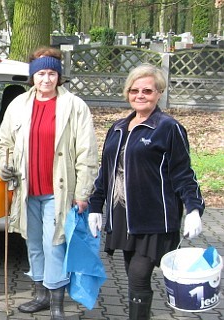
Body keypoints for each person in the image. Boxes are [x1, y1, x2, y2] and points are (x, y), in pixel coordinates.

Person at [88, 64, 205, 320]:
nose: (140, 95)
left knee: (139, 276)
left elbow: (183, 172)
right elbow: (105, 171)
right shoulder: (118, 127)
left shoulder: (168, 127)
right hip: (123, 218)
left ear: (159, 93)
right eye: (134, 90)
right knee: (133, 275)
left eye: (147, 91)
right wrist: (96, 206)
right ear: (127, 92)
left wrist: (194, 208)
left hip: (155, 219)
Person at [0, 46, 98, 319]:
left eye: (52, 73)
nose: (46, 79)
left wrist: (82, 193)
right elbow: (5, 143)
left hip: (59, 191)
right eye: (41, 73)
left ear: (59, 76)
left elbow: (87, 153)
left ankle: (56, 301)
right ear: (33, 76)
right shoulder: (18, 105)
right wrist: (3, 166)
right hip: (27, 190)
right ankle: (40, 294)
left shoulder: (74, 106)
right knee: (33, 244)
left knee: (55, 245)